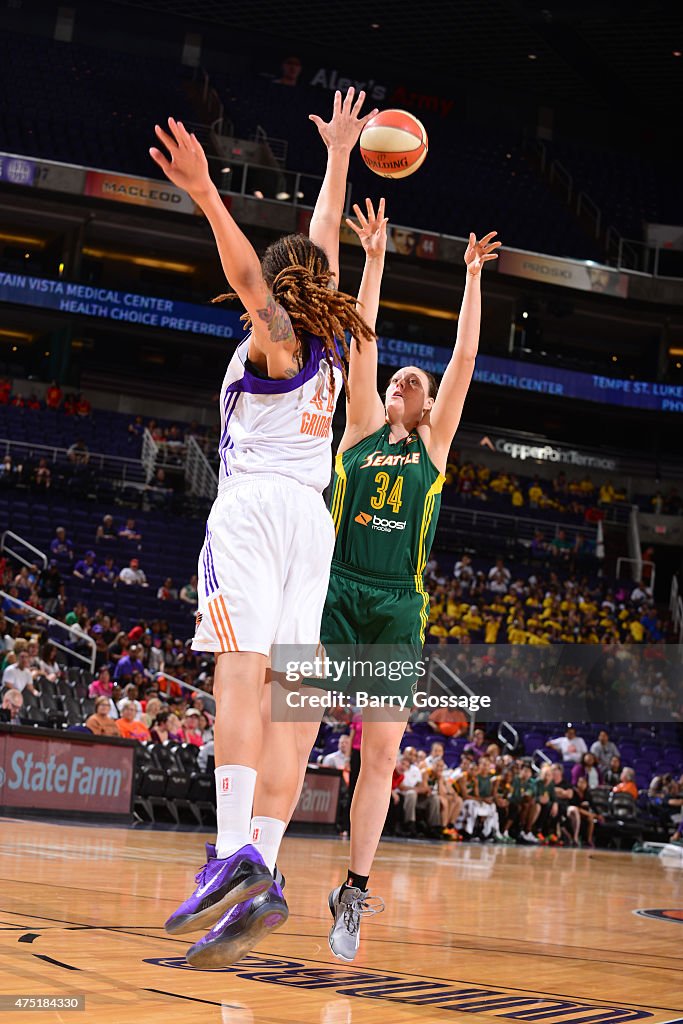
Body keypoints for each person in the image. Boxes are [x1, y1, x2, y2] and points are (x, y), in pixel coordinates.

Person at [149, 90, 379, 968]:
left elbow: (254, 278)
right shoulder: (328, 349)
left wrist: (208, 195)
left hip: (254, 512)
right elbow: (318, 250)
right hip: (310, 529)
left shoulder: (277, 340)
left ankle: (231, 852)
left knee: (237, 680)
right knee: (292, 711)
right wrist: (335, 158)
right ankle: (268, 876)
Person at [288, 209, 500, 959]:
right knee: (294, 727)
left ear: (428, 402)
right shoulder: (357, 430)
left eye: (419, 378)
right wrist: (372, 258)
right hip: (332, 590)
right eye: (398, 376)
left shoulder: (434, 447)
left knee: (377, 756)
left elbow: (465, 359)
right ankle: (253, 862)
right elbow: (363, 337)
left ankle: (352, 890)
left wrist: (471, 279)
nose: (406, 376)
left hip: (395, 609)